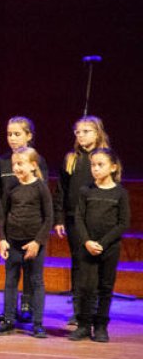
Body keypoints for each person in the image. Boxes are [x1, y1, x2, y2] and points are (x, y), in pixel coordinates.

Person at [0, 116, 48, 324]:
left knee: (33, 276)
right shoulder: (2, 163)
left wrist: (38, 238)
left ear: (28, 136)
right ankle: (9, 315)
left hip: (32, 230)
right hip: (11, 225)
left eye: (17, 134)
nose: (12, 138)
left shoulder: (38, 173)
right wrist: (3, 223)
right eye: (9, 134)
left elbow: (44, 206)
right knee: (11, 276)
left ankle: (30, 307)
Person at [55, 116, 111, 326]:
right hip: (73, 219)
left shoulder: (104, 159)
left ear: (97, 133)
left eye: (86, 131)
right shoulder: (71, 159)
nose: (80, 135)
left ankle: (95, 310)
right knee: (78, 264)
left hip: (97, 219)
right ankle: (80, 311)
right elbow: (61, 189)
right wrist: (59, 218)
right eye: (77, 132)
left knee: (95, 264)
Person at [71, 147, 130, 342]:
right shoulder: (86, 190)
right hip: (87, 247)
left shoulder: (120, 193)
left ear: (113, 167)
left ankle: (101, 326)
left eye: (100, 165)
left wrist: (103, 243)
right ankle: (84, 325)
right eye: (93, 165)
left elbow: (123, 223)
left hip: (109, 248)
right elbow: (79, 217)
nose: (95, 169)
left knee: (105, 286)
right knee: (86, 288)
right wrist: (87, 240)